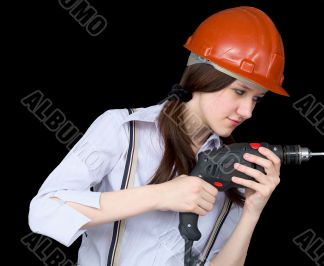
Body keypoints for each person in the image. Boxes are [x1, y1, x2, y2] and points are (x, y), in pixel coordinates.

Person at [28, 6, 289, 266]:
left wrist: (252, 212)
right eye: (240, 92)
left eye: (257, 99)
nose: (248, 112)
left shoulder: (233, 170)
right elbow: (44, 211)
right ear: (203, 77)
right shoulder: (123, 129)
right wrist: (160, 195)